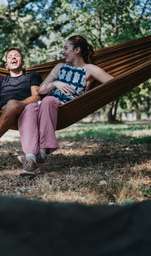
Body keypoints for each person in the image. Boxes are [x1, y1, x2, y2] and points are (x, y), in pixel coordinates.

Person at [17, 35, 113, 176]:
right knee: (29, 108)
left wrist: (90, 97)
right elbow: (42, 89)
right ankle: (31, 158)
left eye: (66, 48)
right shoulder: (60, 67)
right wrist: (55, 83)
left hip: (67, 107)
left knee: (48, 101)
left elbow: (113, 82)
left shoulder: (90, 69)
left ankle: (42, 152)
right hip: (46, 105)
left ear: (77, 50)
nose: (63, 52)